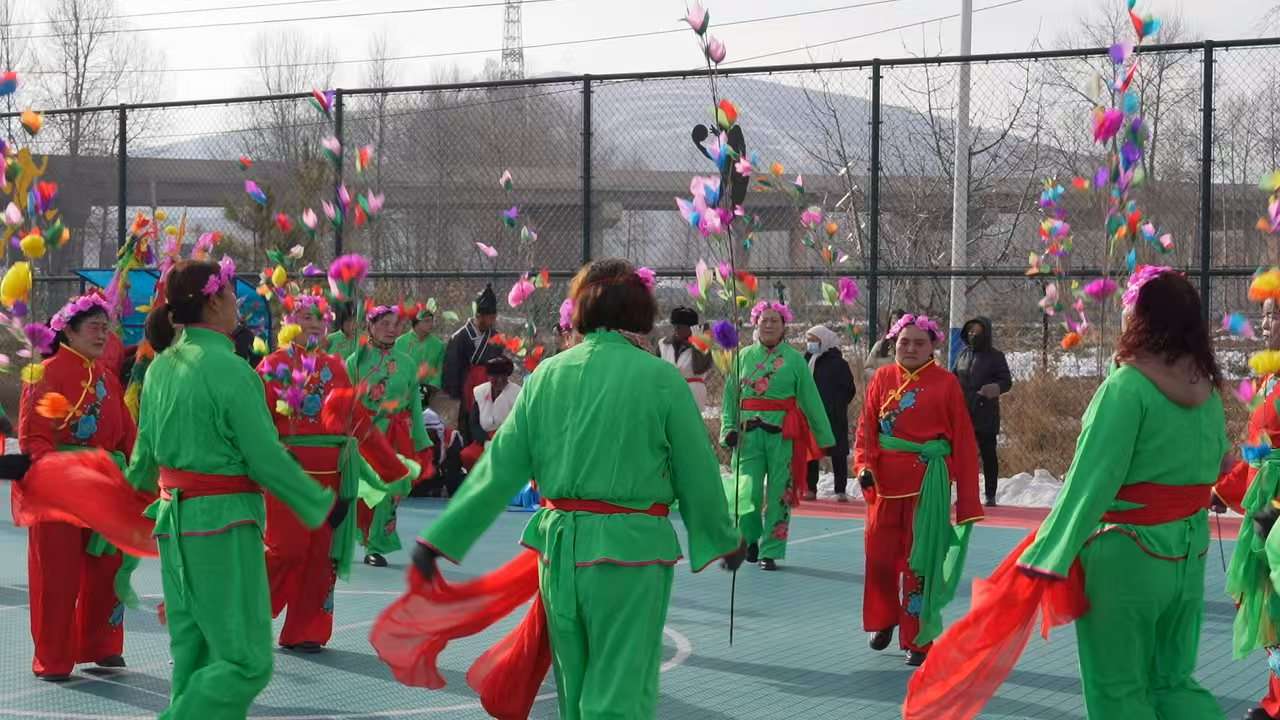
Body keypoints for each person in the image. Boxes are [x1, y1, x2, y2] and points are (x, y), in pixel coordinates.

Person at [370, 258, 744, 720]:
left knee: (574, 686)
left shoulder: (546, 375)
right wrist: (723, 538)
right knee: (620, 690)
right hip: (631, 554)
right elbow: (697, 472)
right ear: (640, 312)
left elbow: (498, 470)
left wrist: (442, 539)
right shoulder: (661, 378)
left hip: (558, 553)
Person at [903, 268, 1231, 719]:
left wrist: (1047, 555)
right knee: (1173, 682)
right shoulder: (1206, 391)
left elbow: (1089, 484)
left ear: (1140, 319)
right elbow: (1217, 467)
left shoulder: (1127, 388)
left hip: (1128, 557)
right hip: (1189, 557)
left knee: (1118, 689)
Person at [124, 260, 339, 719]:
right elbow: (265, 459)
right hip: (222, 524)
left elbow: (143, 462)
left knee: (193, 655)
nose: (237, 304)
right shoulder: (234, 370)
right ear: (213, 301)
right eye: (230, 295)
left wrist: (114, 509)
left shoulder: (159, 368)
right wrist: (317, 502)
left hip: (173, 525)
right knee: (245, 661)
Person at [257, 293, 419, 653]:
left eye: (319, 317)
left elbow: (357, 421)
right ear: (286, 322)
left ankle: (307, 629)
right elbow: (257, 422)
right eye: (304, 316)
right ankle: (248, 613)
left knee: (320, 554)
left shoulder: (336, 367)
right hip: (287, 473)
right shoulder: (271, 365)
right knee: (286, 549)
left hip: (332, 472)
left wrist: (391, 469)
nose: (314, 324)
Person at [17, 293, 137, 680]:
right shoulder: (45, 372)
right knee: (57, 575)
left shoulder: (107, 378)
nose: (102, 335)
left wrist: (137, 470)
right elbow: (34, 436)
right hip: (61, 488)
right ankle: (53, 658)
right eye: (93, 327)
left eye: (106, 328)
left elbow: (126, 435)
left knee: (107, 568)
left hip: (105, 485)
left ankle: (102, 645)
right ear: (68, 330)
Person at [854, 313, 982, 667]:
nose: (910, 348)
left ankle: (917, 638)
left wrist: (968, 500)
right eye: (904, 342)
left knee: (920, 562)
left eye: (919, 343)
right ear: (894, 344)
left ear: (933, 347)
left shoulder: (947, 384)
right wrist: (864, 466)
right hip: (883, 485)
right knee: (878, 559)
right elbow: (866, 430)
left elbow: (964, 443)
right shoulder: (881, 379)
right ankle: (883, 620)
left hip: (929, 486)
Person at [721, 301, 834, 571]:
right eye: (764, 319)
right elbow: (729, 398)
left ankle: (770, 550)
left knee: (779, 494)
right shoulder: (742, 357)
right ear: (755, 324)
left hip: (783, 436)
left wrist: (825, 437)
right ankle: (748, 539)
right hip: (747, 436)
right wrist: (728, 429)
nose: (769, 324)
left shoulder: (795, 361)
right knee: (744, 493)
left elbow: (811, 400)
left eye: (775, 320)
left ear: (784, 326)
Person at [1215, 297, 1280, 720]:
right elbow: (1258, 454)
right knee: (1272, 606)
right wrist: (1222, 490)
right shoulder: (1268, 380)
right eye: (1266, 313)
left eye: (1278, 313)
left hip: (1276, 510)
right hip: (1266, 509)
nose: (1268, 321)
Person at [349, 304, 434, 567]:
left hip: (397, 436)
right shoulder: (356, 361)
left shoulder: (408, 364)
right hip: (363, 436)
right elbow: (343, 401)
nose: (390, 329)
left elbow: (415, 406)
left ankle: (376, 545)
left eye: (395, 324)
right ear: (370, 327)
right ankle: (349, 538)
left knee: (391, 491)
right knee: (359, 490)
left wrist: (421, 439)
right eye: (384, 323)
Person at [953, 316, 1013, 507]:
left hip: (985, 412)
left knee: (988, 454)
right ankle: (964, 494)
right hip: (964, 411)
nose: (973, 335)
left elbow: (1006, 381)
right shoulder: (963, 354)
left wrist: (993, 389)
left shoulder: (996, 356)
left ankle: (990, 494)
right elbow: (953, 377)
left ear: (985, 333)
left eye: (977, 332)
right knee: (962, 456)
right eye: (970, 332)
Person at [442, 285, 503, 445]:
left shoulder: (496, 337)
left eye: (493, 317)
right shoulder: (460, 338)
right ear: (478, 315)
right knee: (467, 428)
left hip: (491, 388)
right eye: (489, 317)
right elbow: (452, 371)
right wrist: (454, 399)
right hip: (466, 390)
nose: (492, 321)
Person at [803, 325, 855, 502]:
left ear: (823, 340)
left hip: (833, 414)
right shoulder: (806, 360)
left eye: (814, 340)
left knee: (838, 451)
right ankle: (810, 487)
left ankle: (840, 489)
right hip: (811, 413)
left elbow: (849, 389)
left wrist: (836, 405)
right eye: (808, 340)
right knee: (810, 451)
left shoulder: (838, 363)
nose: (810, 344)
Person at [656, 306, 712, 408]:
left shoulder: (702, 344)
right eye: (675, 326)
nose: (676, 329)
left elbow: (700, 368)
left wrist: (698, 345)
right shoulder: (663, 344)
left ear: (692, 328)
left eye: (681, 326)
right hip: (668, 392)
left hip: (692, 393)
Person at [395, 304, 447, 408]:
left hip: (430, 396)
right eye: (426, 321)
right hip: (404, 395)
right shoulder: (400, 343)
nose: (431, 324)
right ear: (416, 323)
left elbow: (440, 371)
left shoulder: (439, 345)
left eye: (431, 321)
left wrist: (429, 389)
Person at [864, 308, 906, 377]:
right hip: (882, 385)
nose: (896, 327)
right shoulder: (880, 345)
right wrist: (881, 376)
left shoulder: (910, 348)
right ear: (889, 325)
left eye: (899, 323)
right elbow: (868, 369)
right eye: (893, 323)